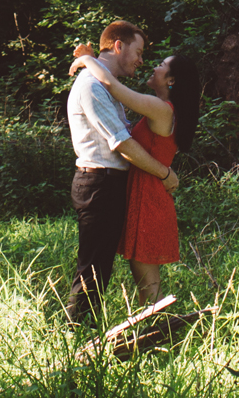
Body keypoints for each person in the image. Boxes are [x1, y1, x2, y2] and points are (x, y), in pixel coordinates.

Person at [64, 21, 180, 321]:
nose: (141, 60)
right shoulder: (92, 85)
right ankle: (78, 335)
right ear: (118, 46)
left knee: (100, 267)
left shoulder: (107, 86)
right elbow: (123, 144)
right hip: (98, 183)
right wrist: (165, 174)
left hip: (111, 184)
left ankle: (91, 334)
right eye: (138, 51)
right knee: (92, 268)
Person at [71, 46, 202, 305]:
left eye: (162, 65)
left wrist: (87, 60)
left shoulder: (161, 109)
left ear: (171, 80)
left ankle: (164, 334)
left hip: (149, 197)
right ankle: (152, 335)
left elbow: (112, 86)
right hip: (145, 193)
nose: (154, 66)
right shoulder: (162, 109)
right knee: (145, 284)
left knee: (148, 286)